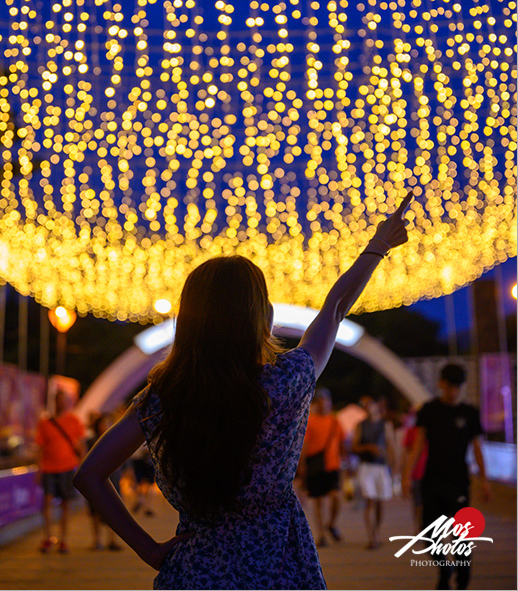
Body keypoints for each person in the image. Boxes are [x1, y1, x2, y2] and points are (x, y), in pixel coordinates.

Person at [74, 191, 413, 590]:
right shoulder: (288, 379)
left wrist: (148, 549)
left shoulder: (164, 397)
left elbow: (90, 475)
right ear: (261, 317)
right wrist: (377, 246)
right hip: (280, 570)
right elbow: (334, 309)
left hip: (194, 573)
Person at [403, 363, 491, 591]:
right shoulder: (429, 410)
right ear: (441, 384)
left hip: (459, 482)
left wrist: (484, 481)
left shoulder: (469, 413)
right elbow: (418, 445)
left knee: (461, 539)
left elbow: (478, 449)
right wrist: (407, 476)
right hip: (431, 482)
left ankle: (462, 581)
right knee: (429, 535)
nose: (453, 391)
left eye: (458, 387)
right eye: (450, 385)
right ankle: (444, 569)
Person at [35, 389, 86, 554]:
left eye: (64, 400)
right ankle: (48, 537)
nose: (62, 403)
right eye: (59, 400)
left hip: (67, 466)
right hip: (49, 468)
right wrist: (38, 469)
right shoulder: (45, 423)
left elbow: (80, 444)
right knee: (47, 502)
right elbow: (40, 448)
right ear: (55, 401)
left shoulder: (73, 420)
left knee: (65, 504)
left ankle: (63, 539)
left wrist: (83, 464)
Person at [301, 387, 344, 546]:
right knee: (318, 501)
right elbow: (305, 445)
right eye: (319, 401)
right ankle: (321, 535)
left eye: (325, 400)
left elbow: (341, 442)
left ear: (330, 402)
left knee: (336, 497)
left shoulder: (335, 421)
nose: (323, 404)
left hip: (333, 465)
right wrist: (302, 465)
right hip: (315, 465)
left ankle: (331, 524)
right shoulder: (310, 421)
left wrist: (345, 461)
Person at [352, 395, 396, 549]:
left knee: (379, 503)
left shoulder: (385, 425)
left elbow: (391, 446)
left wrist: (394, 467)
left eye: (369, 404)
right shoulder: (361, 425)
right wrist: (369, 448)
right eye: (364, 405)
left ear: (376, 405)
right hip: (366, 466)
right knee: (369, 500)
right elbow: (354, 447)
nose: (367, 407)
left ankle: (376, 532)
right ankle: (373, 536)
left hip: (381, 467)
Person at [87, 413, 123, 550]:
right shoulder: (91, 441)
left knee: (113, 509)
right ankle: (97, 540)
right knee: (95, 509)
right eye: (103, 423)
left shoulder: (116, 439)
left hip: (113, 477)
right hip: (96, 479)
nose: (105, 426)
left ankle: (112, 540)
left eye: (108, 423)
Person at [402, 409, 428, 532]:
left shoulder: (433, 430)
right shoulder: (411, 431)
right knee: (417, 503)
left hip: (431, 472)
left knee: (427, 503)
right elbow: (407, 452)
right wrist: (406, 473)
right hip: (417, 472)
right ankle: (419, 527)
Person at [130, 441, 156, 516]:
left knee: (150, 483)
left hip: (147, 457)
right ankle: (142, 501)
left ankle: (147, 505)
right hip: (138, 458)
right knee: (138, 482)